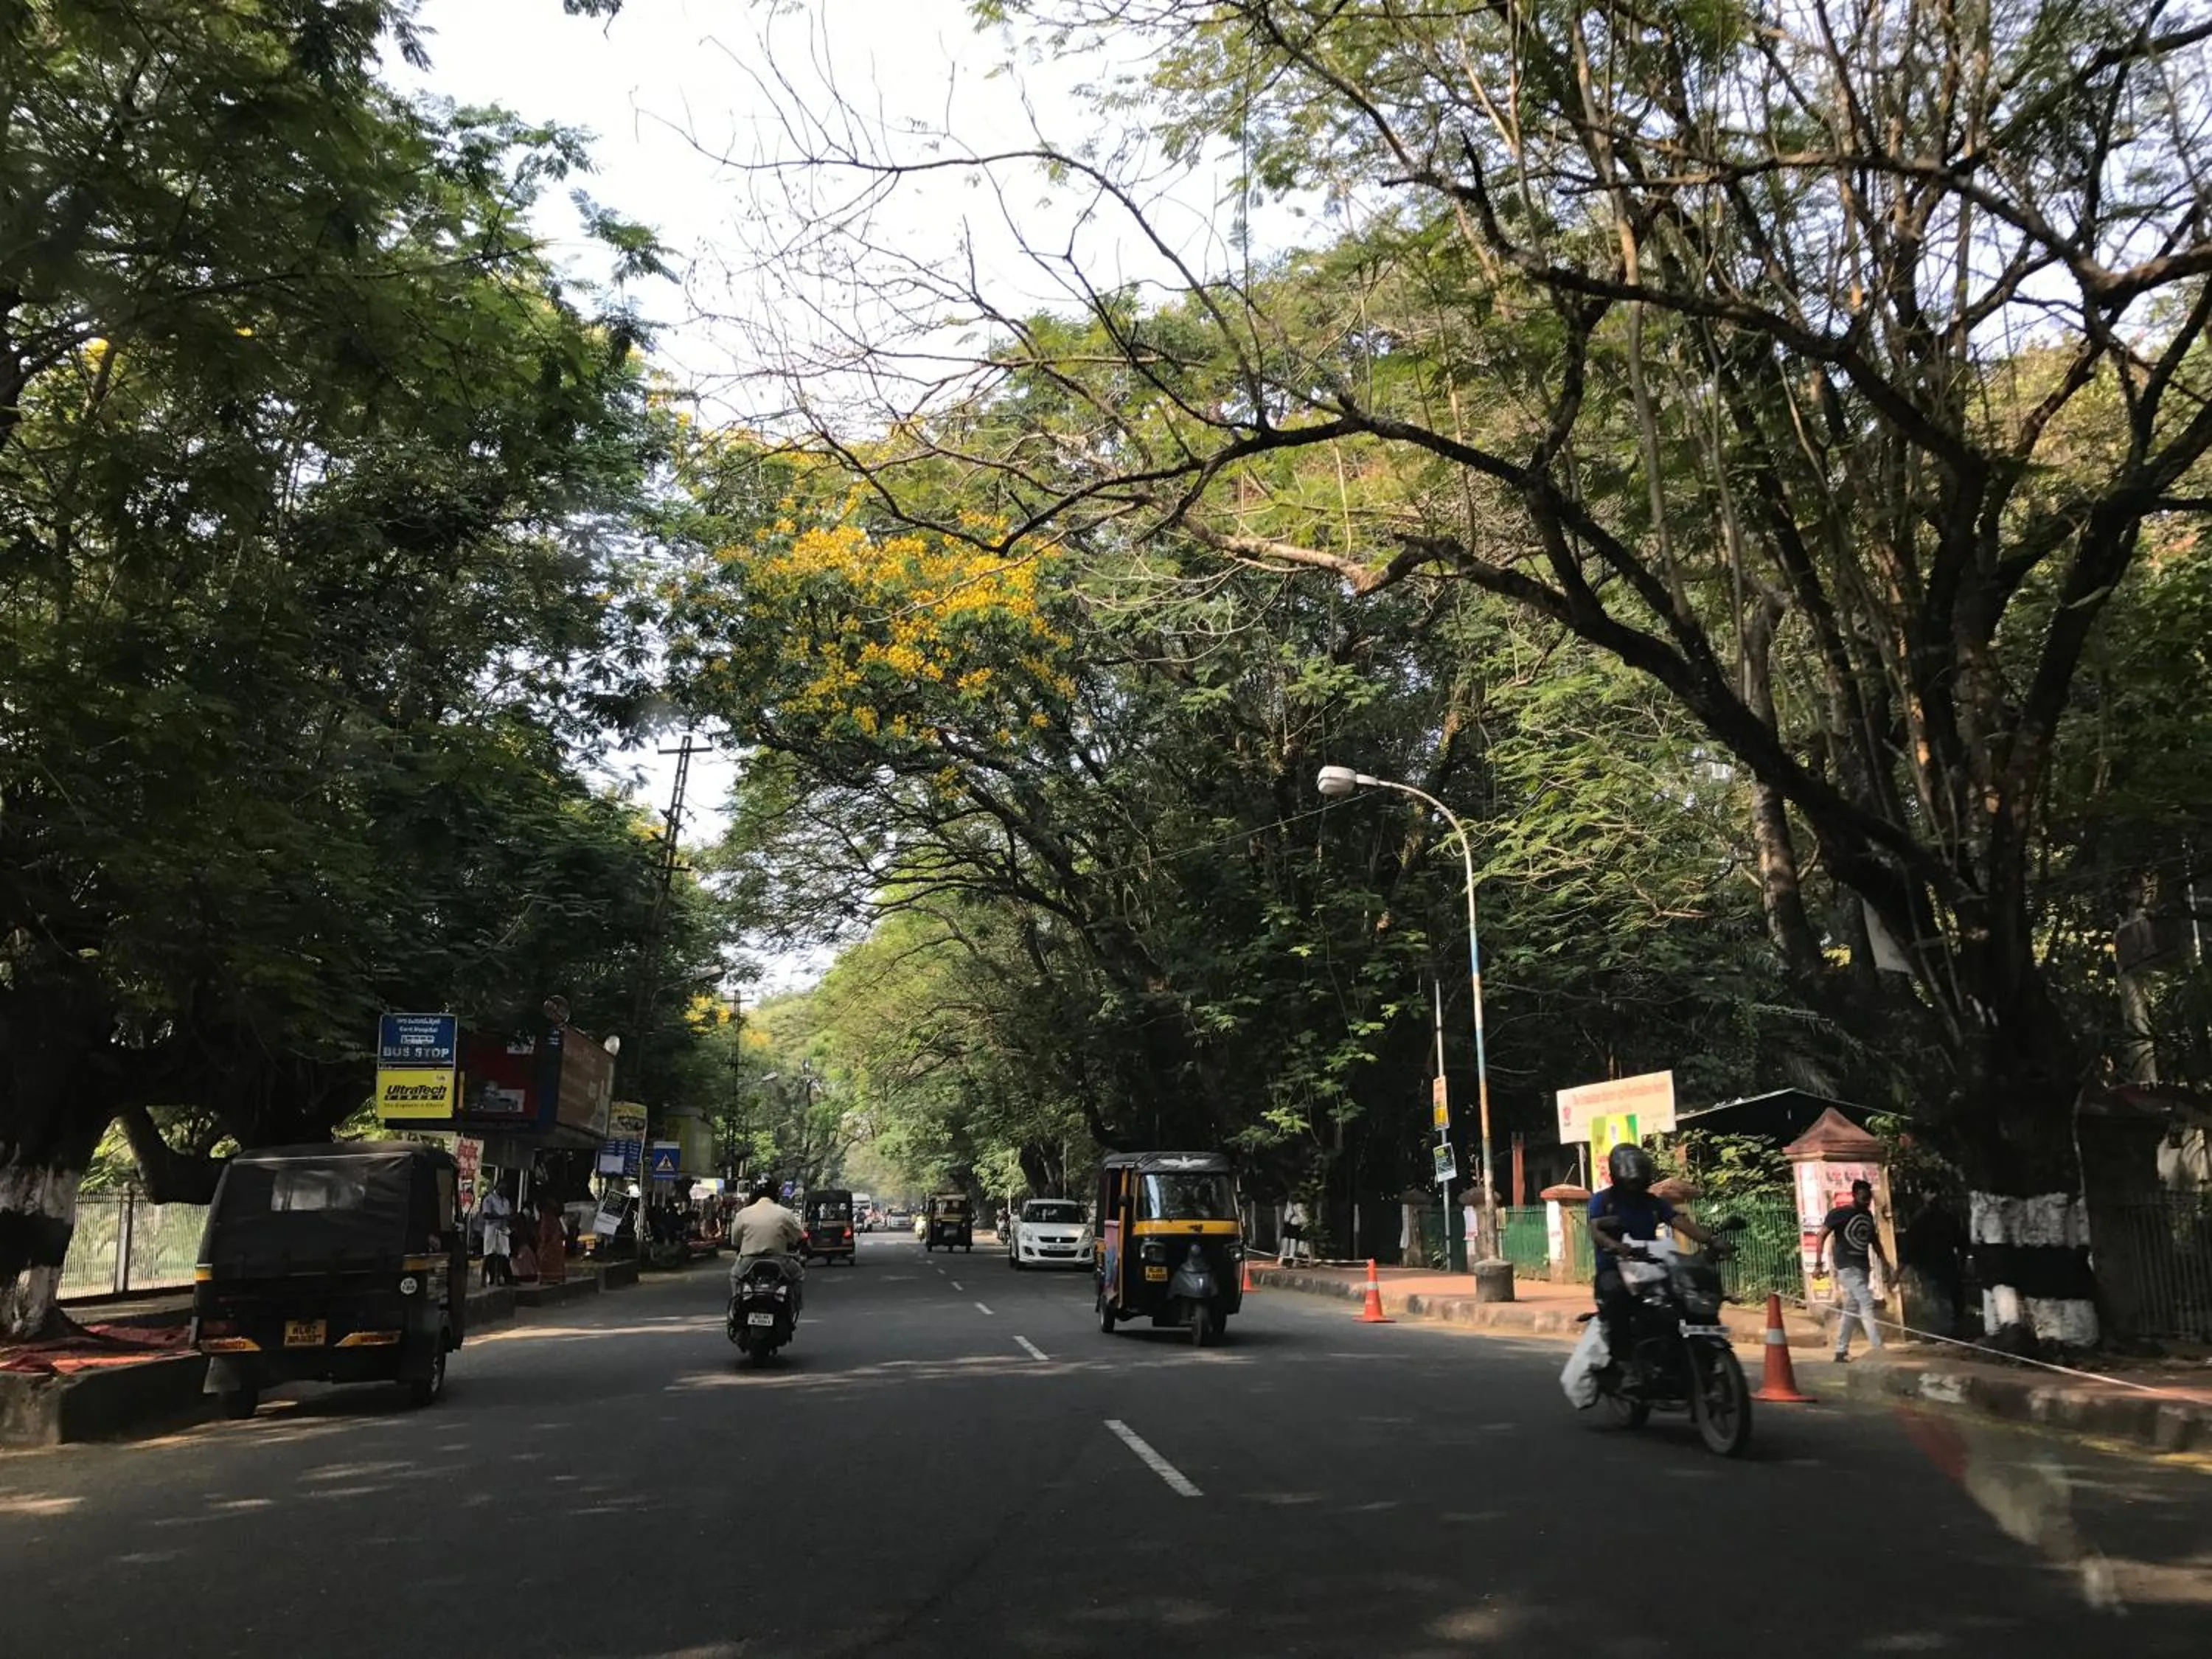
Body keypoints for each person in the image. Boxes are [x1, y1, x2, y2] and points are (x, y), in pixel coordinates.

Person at [1586, 1144, 1719, 1367]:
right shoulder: (1603, 1201)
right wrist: (1616, 1246)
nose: (1635, 1187)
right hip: (1616, 1268)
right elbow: (1595, 1231)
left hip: (1651, 1265)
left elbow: (1681, 1223)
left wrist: (1711, 1240)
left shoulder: (1653, 1203)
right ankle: (1624, 1362)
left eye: (1639, 1181)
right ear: (1618, 1177)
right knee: (1617, 1297)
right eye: (1631, 1181)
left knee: (1684, 1297)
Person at [1815, 1178, 1893, 1360]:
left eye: (1869, 1199)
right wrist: (1819, 1264)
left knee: (1851, 1307)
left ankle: (1841, 1351)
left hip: (1863, 1267)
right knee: (1866, 1301)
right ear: (1855, 1195)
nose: (1867, 1201)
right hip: (1846, 1266)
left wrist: (1885, 1262)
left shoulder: (1867, 1217)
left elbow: (1875, 1242)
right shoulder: (1840, 1214)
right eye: (1864, 1197)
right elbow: (1821, 1235)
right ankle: (1878, 1349)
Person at [728, 1178, 807, 1312]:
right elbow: (799, 1237)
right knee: (798, 1274)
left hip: (748, 1260)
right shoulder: (785, 1213)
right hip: (779, 1260)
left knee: (735, 1276)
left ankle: (736, 1308)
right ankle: (795, 1307)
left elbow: (735, 1241)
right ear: (776, 1194)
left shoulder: (743, 1214)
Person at [479, 1183, 514, 1287]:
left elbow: (507, 1215)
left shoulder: (506, 1201)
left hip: (503, 1228)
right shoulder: (489, 1199)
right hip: (491, 1228)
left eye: (505, 1189)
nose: (504, 1190)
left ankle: (497, 1279)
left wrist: (508, 1219)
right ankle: (483, 1280)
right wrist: (500, 1216)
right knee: (488, 1254)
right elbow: (486, 1215)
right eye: (502, 1188)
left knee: (502, 1255)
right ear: (497, 1188)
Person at [1279, 1199, 1309, 1267]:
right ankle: (1290, 1259)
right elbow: (1298, 1215)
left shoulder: (1293, 1204)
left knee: (1296, 1242)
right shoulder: (1293, 1204)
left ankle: (1294, 1259)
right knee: (1292, 1241)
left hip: (1296, 1224)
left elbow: (1297, 1215)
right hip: (1294, 1224)